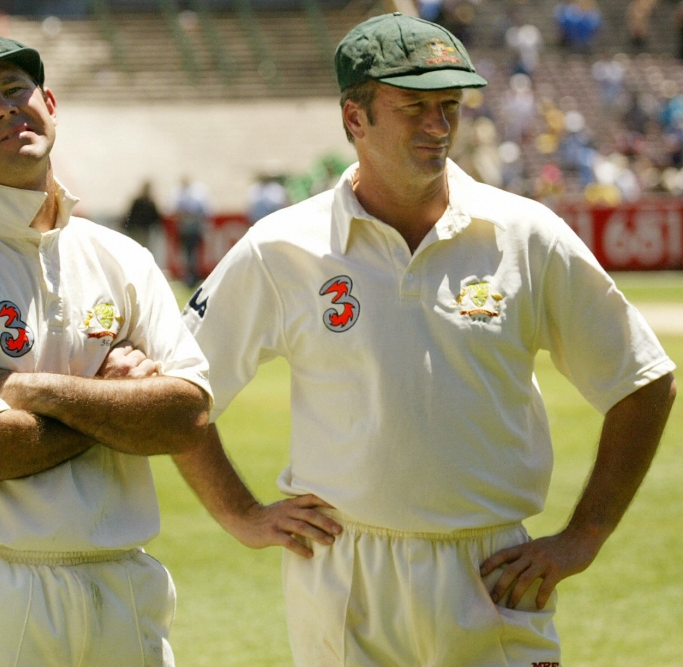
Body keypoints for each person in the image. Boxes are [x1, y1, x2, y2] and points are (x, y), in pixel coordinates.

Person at [174, 13, 675, 666]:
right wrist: (239, 513)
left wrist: (585, 535)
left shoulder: (525, 232)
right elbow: (181, 391)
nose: (439, 127)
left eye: (450, 106)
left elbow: (644, 380)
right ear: (355, 119)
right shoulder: (281, 247)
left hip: (493, 572)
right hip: (345, 575)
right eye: (414, 108)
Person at [0, 33, 211, 666]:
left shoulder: (122, 258)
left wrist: (39, 393)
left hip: (122, 585)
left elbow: (186, 416)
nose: (4, 109)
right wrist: (119, 403)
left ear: (50, 103)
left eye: (14, 90)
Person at [171, 175, 210, 286]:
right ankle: (190, 277)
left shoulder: (183, 196)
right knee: (191, 254)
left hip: (188, 230)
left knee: (190, 254)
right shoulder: (194, 196)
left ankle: (190, 277)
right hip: (190, 230)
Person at [124, 179, 162, 248]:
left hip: (137, 228)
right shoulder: (149, 203)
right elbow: (155, 218)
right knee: (142, 247)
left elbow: (129, 214)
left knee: (136, 246)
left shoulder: (138, 202)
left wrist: (127, 225)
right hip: (142, 228)